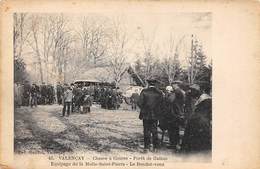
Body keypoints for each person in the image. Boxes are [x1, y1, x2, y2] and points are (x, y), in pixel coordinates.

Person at [182, 85, 212, 152]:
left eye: (192, 90)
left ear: (196, 91)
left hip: (201, 123)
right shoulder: (193, 98)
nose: (190, 92)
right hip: (194, 121)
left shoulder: (206, 99)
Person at [138, 79, 164, 152]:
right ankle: (155, 147)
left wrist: (144, 108)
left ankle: (146, 148)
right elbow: (162, 104)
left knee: (146, 130)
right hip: (155, 115)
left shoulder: (144, 91)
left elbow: (139, 102)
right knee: (154, 130)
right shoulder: (159, 93)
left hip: (146, 114)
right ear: (155, 84)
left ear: (148, 84)